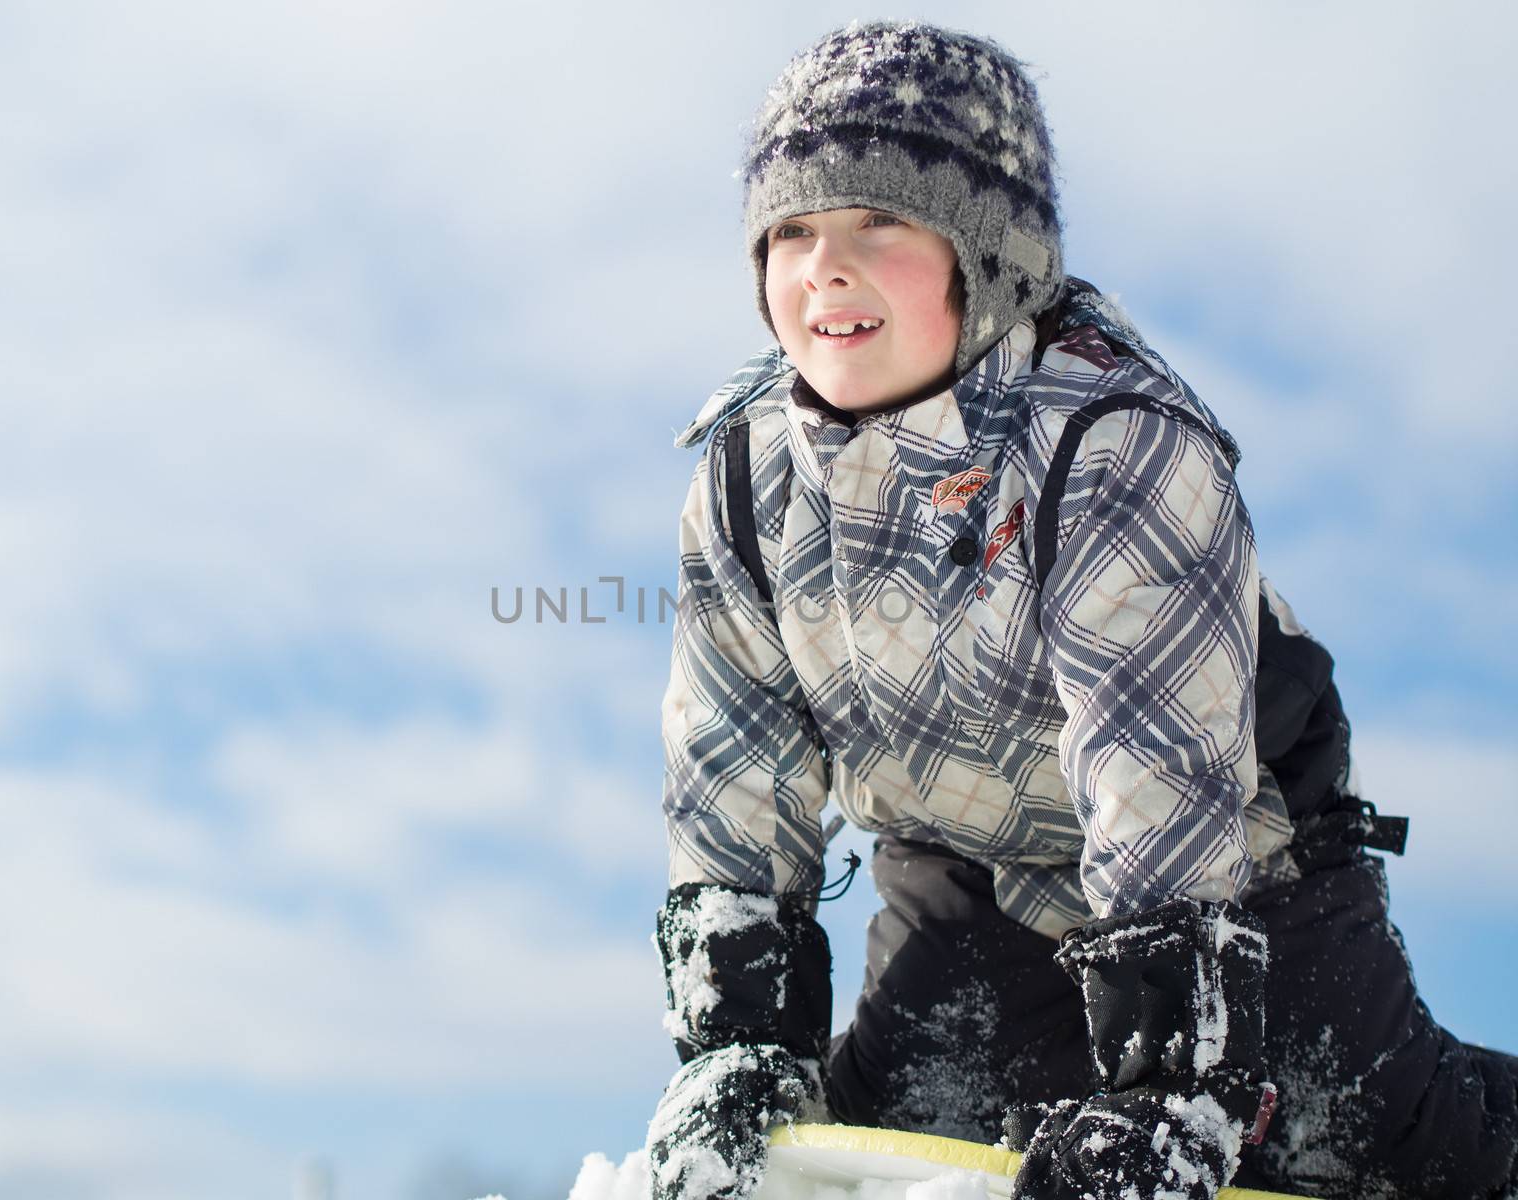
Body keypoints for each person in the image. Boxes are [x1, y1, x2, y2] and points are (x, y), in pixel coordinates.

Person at [644, 19, 1517, 1200]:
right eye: (790, 230)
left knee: (1370, 1148)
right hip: (972, 873)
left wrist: (1169, 1091)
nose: (824, 268)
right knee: (894, 1133)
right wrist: (739, 1041)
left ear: (988, 254)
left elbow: (1158, 773)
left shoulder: (1108, 447)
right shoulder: (749, 476)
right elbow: (734, 757)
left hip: (1236, 872)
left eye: (878, 221)